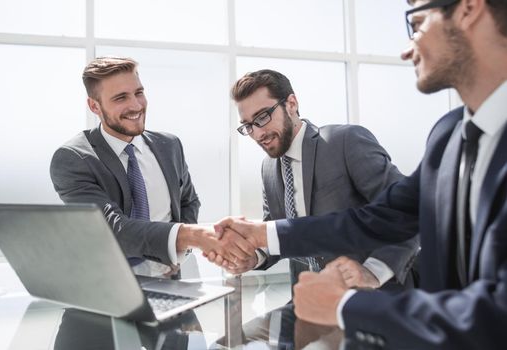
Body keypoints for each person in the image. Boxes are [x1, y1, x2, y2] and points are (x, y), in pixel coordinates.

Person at [215, 0, 507, 347]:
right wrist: (259, 236)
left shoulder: (343, 140)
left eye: (416, 23)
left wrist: (348, 304)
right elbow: (376, 219)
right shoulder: (447, 135)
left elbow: (496, 315)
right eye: (248, 125)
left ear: (469, 9)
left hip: (390, 310)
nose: (406, 50)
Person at [50, 56, 253, 278]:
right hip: (111, 286)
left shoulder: (169, 145)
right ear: (94, 106)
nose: (136, 105)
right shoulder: (74, 159)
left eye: (139, 93)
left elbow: (188, 201)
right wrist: (193, 236)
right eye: (120, 98)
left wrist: (178, 252)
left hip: (175, 277)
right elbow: (111, 228)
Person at [219, 69, 419, 291]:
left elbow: (407, 212)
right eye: (248, 125)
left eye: (263, 117)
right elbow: (275, 230)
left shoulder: (344, 142)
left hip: (376, 300)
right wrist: (253, 257)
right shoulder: (268, 167)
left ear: (291, 104)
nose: (257, 134)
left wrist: (372, 273)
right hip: (310, 299)